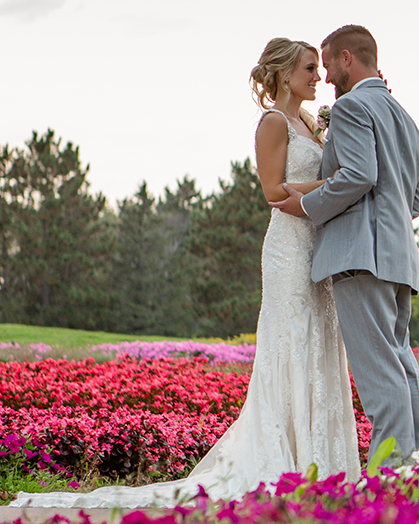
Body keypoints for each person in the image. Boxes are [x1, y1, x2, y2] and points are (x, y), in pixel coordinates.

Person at [10, 37, 362, 509]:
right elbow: (273, 191)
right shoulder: (275, 123)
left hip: (318, 250)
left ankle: (322, 460)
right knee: (292, 342)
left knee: (319, 339)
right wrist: (337, 186)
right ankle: (286, 462)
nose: (317, 76)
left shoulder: (310, 122)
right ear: (282, 74)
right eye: (308, 67)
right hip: (288, 250)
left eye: (318, 68)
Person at [269, 24, 419, 466]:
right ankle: (417, 465)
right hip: (398, 258)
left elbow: (359, 175)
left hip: (361, 257)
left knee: (380, 376)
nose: (325, 76)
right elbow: (413, 202)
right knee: (401, 366)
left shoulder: (355, 107)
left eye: (328, 63)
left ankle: (390, 476)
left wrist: (309, 205)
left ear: (346, 59)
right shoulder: (405, 119)